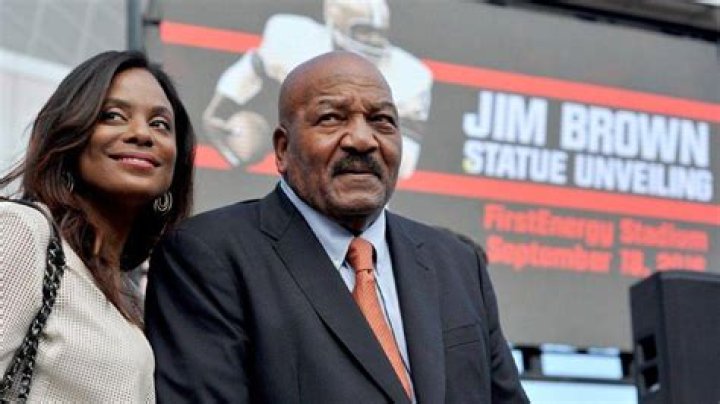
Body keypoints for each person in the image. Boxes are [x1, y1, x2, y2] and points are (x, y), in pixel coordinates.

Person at [146, 51, 527, 403]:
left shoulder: (457, 263)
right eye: (331, 118)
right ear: (282, 149)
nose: (362, 140)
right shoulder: (208, 255)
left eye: (381, 121)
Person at [0, 50, 195, 402]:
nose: (142, 134)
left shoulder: (128, 295)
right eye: (113, 116)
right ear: (69, 136)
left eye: (160, 124)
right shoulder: (24, 231)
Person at [202, 0, 432, 179]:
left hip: (357, 184)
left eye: (379, 32)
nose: (373, 40)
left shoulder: (409, 76)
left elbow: (404, 163)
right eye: (364, 30)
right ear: (336, 24)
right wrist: (216, 111)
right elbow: (251, 70)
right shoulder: (296, 40)